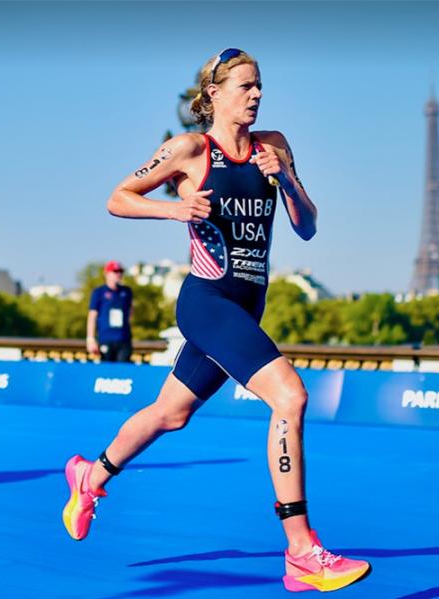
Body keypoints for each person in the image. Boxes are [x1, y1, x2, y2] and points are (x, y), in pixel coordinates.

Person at [62, 49, 370, 592]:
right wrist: (172, 208)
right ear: (214, 95)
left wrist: (289, 183)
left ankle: (91, 474)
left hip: (249, 303)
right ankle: (301, 549)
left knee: (169, 414)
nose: (255, 95)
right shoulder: (189, 149)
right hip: (207, 303)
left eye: (260, 87)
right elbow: (118, 197)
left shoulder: (274, 147)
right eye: (246, 86)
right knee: (290, 397)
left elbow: (307, 227)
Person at [86, 260, 133, 362]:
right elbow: (92, 315)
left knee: (123, 370)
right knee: (107, 370)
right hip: (106, 338)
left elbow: (130, 311)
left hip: (123, 339)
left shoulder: (126, 292)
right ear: (107, 274)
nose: (118, 274)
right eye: (115, 271)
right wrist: (90, 338)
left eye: (120, 271)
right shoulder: (99, 292)